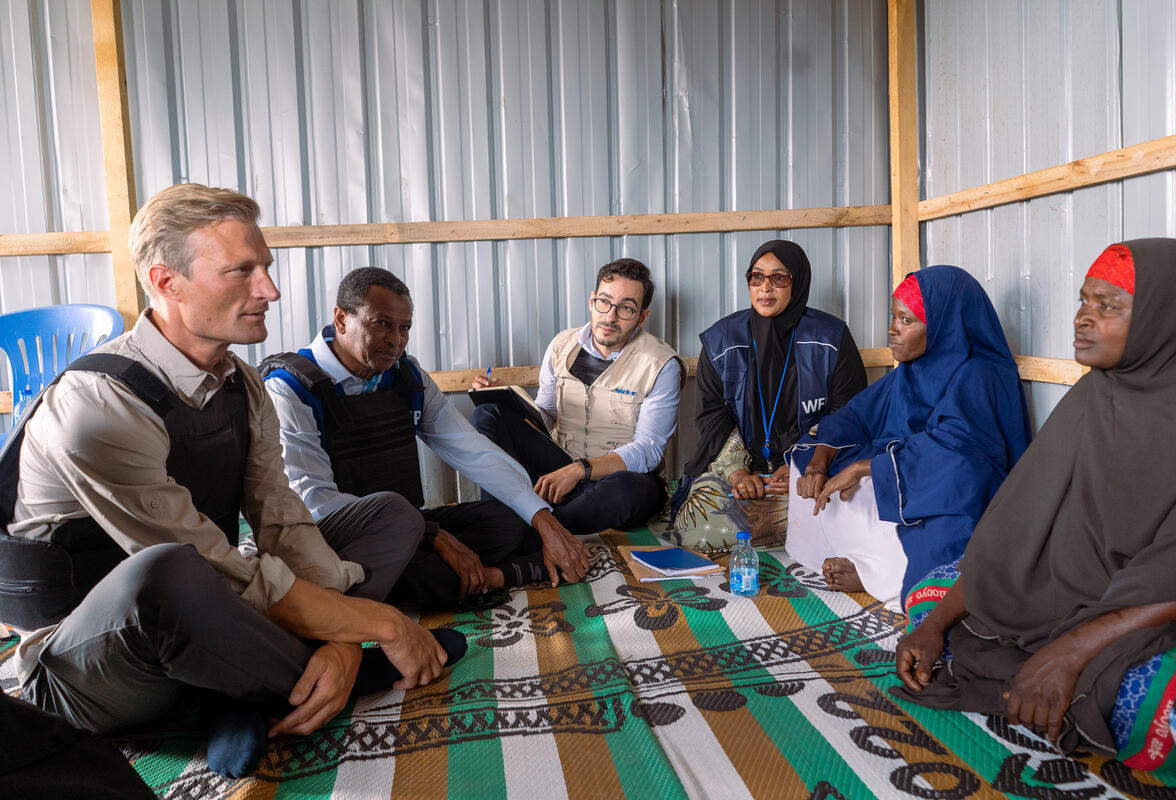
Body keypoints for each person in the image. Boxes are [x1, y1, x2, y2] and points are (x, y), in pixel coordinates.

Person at [0, 184, 453, 780]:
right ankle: (306, 680)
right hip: (90, 666)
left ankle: (276, 679)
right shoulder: (97, 405)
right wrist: (384, 624)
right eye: (242, 271)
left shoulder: (242, 384)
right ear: (166, 282)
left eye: (265, 267)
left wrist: (342, 634)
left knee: (390, 514)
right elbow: (205, 568)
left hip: (212, 611)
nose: (270, 289)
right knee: (169, 571)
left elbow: (281, 517)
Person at [893, 239, 1176, 777]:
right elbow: (1013, 529)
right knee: (928, 599)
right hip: (1061, 590)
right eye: (1084, 301)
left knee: (1159, 707)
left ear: (1164, 318)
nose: (1083, 319)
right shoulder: (1094, 395)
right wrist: (936, 623)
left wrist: (1069, 653)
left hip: (1153, 605)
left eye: (1109, 306)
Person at [260, 267, 591, 606]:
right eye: (381, 324)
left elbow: (472, 449)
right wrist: (433, 536)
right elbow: (315, 503)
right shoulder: (290, 389)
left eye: (404, 328)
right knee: (423, 559)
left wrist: (543, 519)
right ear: (341, 319)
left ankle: (455, 575)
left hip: (411, 528)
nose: (396, 340)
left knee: (513, 522)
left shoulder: (407, 375)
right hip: (334, 538)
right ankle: (493, 575)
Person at [786, 265, 1029, 610]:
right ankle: (863, 559)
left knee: (946, 530)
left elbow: (960, 455)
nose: (892, 330)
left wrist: (865, 469)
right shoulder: (912, 370)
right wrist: (819, 464)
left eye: (906, 320)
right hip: (901, 468)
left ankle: (881, 576)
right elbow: (854, 417)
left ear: (947, 324)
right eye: (893, 317)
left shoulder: (981, 373)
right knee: (809, 457)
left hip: (952, 487)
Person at [667, 239, 867, 551]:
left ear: (797, 283)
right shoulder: (721, 340)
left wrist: (804, 464)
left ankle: (791, 522)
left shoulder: (831, 337)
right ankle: (804, 528)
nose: (765, 288)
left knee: (854, 499)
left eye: (779, 278)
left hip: (814, 466)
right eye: (756, 277)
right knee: (697, 524)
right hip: (740, 468)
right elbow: (711, 416)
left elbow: (848, 413)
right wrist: (738, 473)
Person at [470, 258, 685, 535]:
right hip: (560, 467)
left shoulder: (661, 364)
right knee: (487, 413)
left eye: (626, 309)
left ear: (642, 316)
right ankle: (499, 517)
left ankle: (532, 530)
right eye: (604, 302)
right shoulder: (561, 345)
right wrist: (508, 400)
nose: (610, 316)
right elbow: (545, 415)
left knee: (631, 491)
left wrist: (581, 470)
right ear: (592, 300)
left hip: (615, 480)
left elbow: (648, 449)